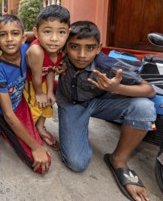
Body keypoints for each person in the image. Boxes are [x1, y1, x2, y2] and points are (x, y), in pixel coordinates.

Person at [56, 20, 156, 201]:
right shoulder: (58, 54)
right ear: (64, 46)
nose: (81, 55)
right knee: (76, 163)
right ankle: (78, 128)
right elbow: (37, 36)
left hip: (101, 102)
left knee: (144, 107)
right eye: (74, 47)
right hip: (72, 104)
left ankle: (118, 159)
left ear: (98, 48)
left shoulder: (107, 65)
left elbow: (149, 90)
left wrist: (117, 89)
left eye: (89, 48)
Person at [0, 14, 51, 174]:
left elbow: (43, 36)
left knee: (55, 85)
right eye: (3, 35)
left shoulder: (28, 50)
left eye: (15, 33)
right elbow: (8, 114)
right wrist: (36, 147)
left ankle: (35, 127)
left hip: (22, 102)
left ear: (24, 37)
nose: (10, 39)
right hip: (5, 113)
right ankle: (1, 129)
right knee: (38, 162)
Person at [23, 4, 70, 151]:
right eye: (47, 31)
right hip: (30, 83)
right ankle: (29, 131)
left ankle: (40, 127)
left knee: (47, 104)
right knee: (34, 109)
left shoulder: (60, 49)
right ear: (36, 32)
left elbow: (50, 70)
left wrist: (49, 92)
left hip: (43, 80)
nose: (54, 39)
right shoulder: (37, 50)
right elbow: (36, 77)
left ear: (68, 33)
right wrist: (39, 93)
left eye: (61, 32)